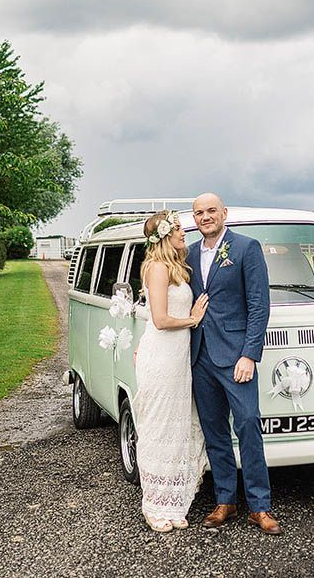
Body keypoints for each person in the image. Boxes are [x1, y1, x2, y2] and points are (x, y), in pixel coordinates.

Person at [187, 193, 281, 535]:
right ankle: (225, 500)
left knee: (247, 426)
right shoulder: (188, 253)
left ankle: (260, 506)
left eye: (212, 210)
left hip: (236, 357)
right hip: (200, 357)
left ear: (224, 213)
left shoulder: (246, 248)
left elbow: (259, 305)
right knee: (215, 432)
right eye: (199, 212)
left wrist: (249, 354)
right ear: (194, 218)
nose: (206, 216)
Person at [133, 210, 209, 532]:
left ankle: (174, 502)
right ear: (164, 235)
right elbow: (161, 320)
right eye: (177, 228)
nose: (183, 232)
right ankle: (153, 505)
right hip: (162, 358)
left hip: (178, 361)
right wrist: (192, 319)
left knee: (178, 429)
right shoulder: (158, 268)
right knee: (159, 430)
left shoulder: (177, 267)